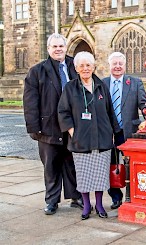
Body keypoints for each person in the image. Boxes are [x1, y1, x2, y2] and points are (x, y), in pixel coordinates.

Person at [23, 33, 83, 215]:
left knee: (73, 164)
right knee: (51, 167)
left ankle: (76, 197)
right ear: (48, 49)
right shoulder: (37, 71)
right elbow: (30, 101)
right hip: (48, 128)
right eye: (54, 46)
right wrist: (34, 128)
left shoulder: (76, 66)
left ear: (66, 47)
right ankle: (52, 201)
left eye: (61, 46)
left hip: (73, 127)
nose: (58, 49)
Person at [58, 51, 121, 220]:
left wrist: (114, 133)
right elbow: (63, 112)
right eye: (82, 65)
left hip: (102, 139)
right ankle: (86, 205)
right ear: (76, 68)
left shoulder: (101, 86)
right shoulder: (70, 88)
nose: (85, 68)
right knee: (84, 175)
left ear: (94, 67)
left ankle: (99, 204)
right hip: (81, 140)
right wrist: (73, 132)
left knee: (100, 175)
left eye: (88, 65)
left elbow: (110, 111)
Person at [102, 52, 146, 209]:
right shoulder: (102, 83)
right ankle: (116, 197)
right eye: (114, 64)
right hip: (109, 133)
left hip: (129, 132)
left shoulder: (134, 82)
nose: (117, 66)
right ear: (110, 66)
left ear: (125, 65)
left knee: (132, 166)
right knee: (111, 165)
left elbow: (143, 104)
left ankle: (133, 194)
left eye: (120, 63)